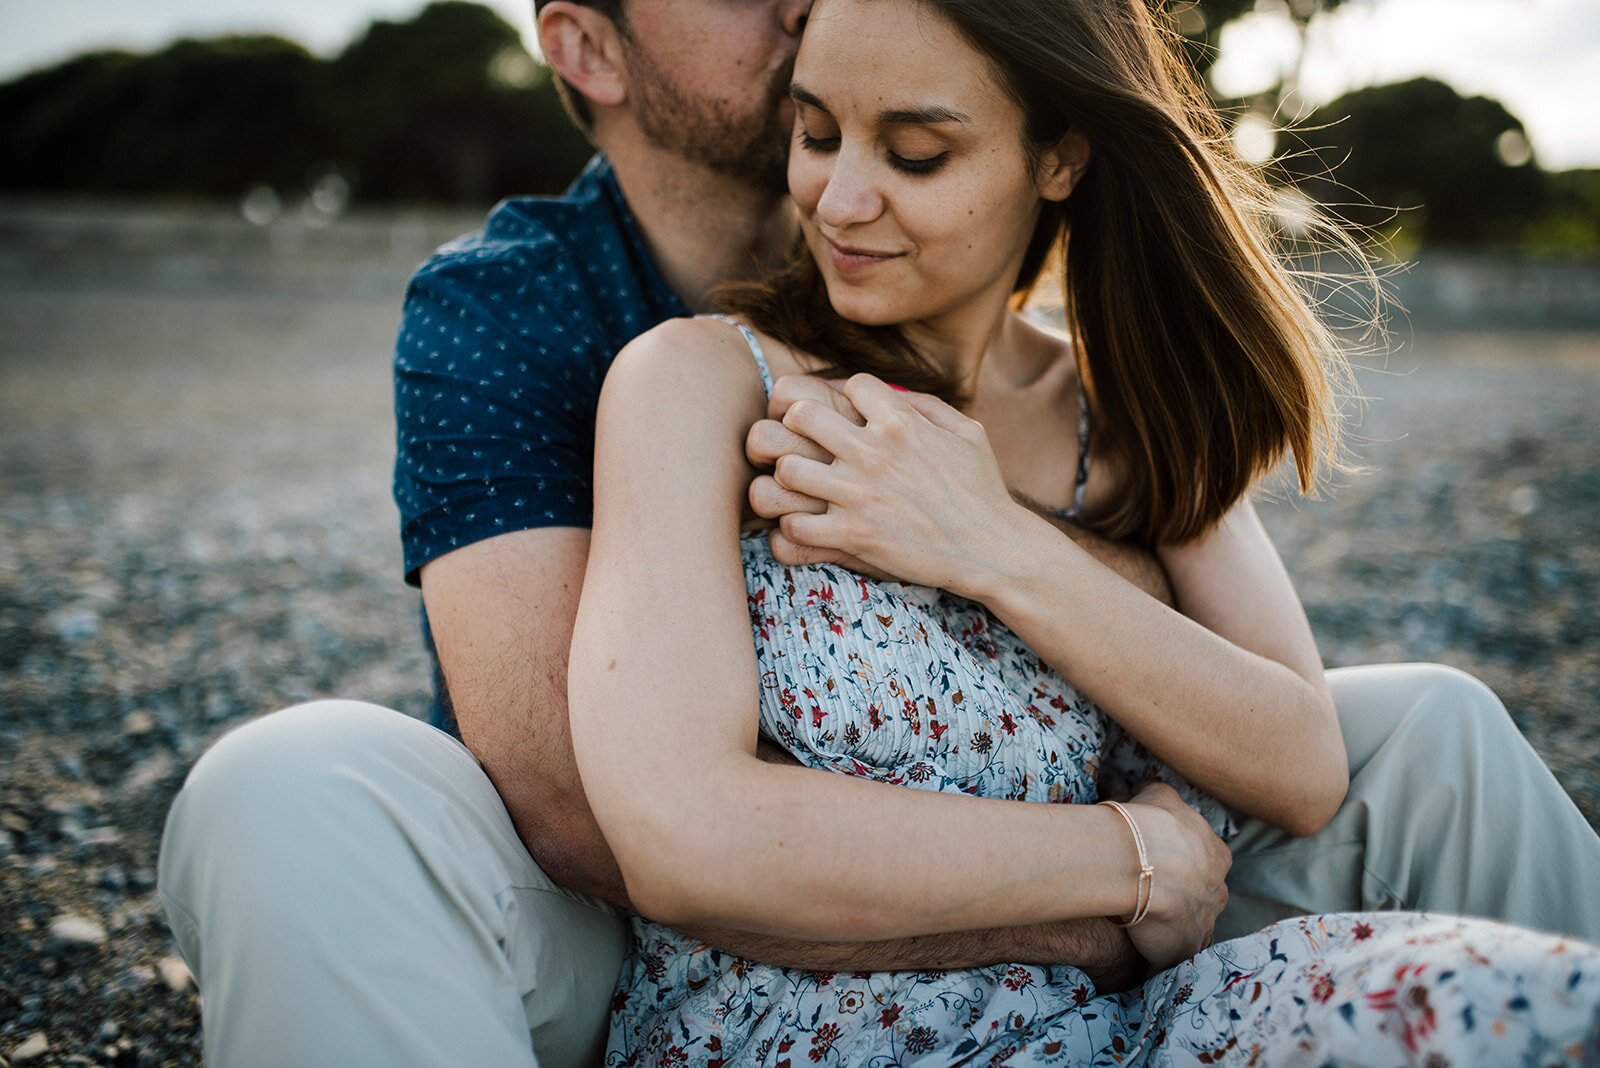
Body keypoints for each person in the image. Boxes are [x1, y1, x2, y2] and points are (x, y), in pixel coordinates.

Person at [154, 0, 1600, 1064]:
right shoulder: (554, 327)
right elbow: (600, 811)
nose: (846, 196)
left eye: (910, 148)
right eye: (820, 132)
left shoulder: (1100, 390)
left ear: (1051, 160)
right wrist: (1129, 877)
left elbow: (1298, 756)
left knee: (1444, 738)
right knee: (292, 782)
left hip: (1078, 932)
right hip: (645, 934)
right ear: (588, 51)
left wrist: (998, 542)